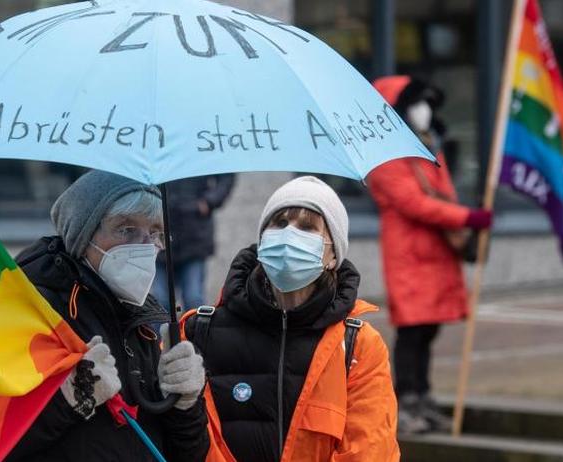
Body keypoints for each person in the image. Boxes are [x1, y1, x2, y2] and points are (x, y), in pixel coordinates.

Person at [182, 176, 399, 462]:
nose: (288, 235)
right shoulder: (200, 331)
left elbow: (370, 452)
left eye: (307, 227)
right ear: (262, 242)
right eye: (279, 223)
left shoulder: (359, 346)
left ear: (332, 255)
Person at [7, 170, 210, 461]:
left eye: (155, 233)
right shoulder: (36, 311)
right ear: (83, 235)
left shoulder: (142, 323)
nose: (144, 245)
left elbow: (188, 454)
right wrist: (69, 399)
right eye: (126, 229)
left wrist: (186, 405)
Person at [368, 75, 494, 434]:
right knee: (412, 331)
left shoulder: (429, 148)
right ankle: (405, 398)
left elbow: (441, 195)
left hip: (433, 254)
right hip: (410, 256)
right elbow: (414, 203)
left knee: (428, 330)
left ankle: (422, 395)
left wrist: (463, 222)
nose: (424, 111)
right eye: (416, 103)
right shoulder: (387, 156)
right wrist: (467, 217)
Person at [152, 175, 235, 311]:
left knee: (193, 297)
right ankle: (160, 332)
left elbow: (226, 177)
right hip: (159, 236)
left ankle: (194, 332)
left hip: (194, 236)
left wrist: (209, 201)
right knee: (161, 300)